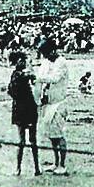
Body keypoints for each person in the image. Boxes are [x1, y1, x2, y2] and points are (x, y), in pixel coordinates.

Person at [35, 39, 69, 175]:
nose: (45, 56)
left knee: (59, 134)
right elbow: (40, 76)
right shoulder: (46, 62)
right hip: (47, 102)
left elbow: (54, 78)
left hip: (58, 102)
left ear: (53, 50)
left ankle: (62, 164)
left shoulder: (62, 63)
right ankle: (55, 162)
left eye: (46, 53)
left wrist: (40, 78)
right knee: (51, 135)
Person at [7, 51, 41, 176]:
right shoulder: (22, 75)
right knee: (31, 140)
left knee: (22, 140)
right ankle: (36, 168)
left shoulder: (15, 75)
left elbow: (10, 91)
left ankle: (19, 168)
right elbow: (33, 78)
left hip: (19, 109)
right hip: (28, 108)